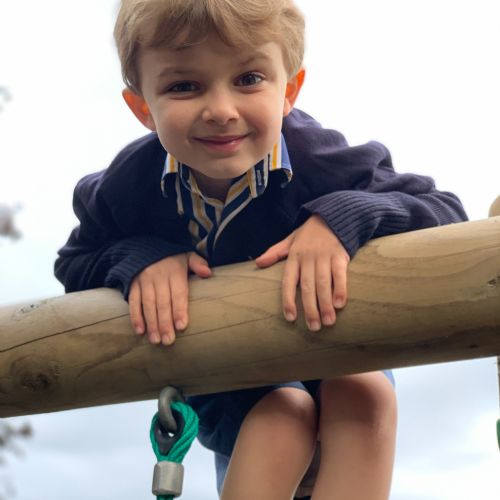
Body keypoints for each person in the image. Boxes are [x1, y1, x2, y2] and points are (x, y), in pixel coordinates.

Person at [55, 1, 467, 498]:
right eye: (184, 86)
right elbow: (74, 262)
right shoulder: (129, 187)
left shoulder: (320, 160)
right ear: (143, 106)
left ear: (289, 89)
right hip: (233, 382)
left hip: (332, 348)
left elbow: (442, 210)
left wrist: (342, 216)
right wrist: (138, 257)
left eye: (249, 78)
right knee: (281, 419)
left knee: (365, 391)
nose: (221, 110)